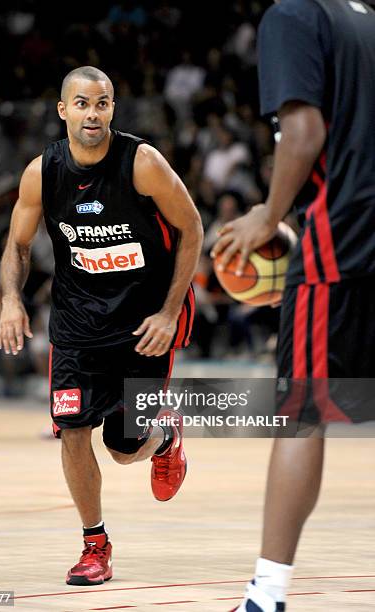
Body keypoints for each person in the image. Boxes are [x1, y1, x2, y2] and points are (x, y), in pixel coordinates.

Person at [0, 66, 203, 586]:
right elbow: (18, 245)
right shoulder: (42, 172)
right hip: (77, 323)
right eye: (83, 104)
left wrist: (171, 311)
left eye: (103, 103)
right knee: (72, 431)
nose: (94, 113)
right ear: (64, 110)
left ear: (113, 108)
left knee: (123, 447)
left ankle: (164, 437)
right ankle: (95, 544)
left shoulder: (142, 163)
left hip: (144, 322)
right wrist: (10, 301)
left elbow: (192, 227)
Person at [211, 0, 375, 610]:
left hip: (343, 241)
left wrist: (269, 217)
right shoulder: (367, 19)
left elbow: (304, 134)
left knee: (301, 412)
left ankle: (268, 593)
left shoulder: (293, 15)